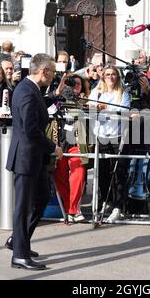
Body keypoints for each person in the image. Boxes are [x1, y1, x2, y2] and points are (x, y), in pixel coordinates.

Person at [5, 53, 63, 270]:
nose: (54, 76)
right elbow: (31, 130)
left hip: (33, 157)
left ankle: (18, 241)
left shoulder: (32, 89)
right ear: (44, 71)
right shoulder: (27, 92)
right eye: (53, 72)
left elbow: (38, 107)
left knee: (41, 198)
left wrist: (54, 96)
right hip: (26, 157)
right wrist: (54, 147)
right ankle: (19, 255)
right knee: (23, 207)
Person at [88, 65, 131, 223]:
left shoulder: (123, 93)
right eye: (107, 75)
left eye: (113, 74)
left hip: (118, 136)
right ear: (103, 77)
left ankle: (118, 206)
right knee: (103, 172)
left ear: (117, 77)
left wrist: (105, 108)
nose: (110, 77)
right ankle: (105, 201)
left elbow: (124, 110)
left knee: (118, 173)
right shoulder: (97, 91)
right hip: (101, 136)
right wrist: (98, 108)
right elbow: (91, 107)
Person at [54, 74, 91, 223]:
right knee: (60, 177)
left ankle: (74, 209)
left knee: (79, 173)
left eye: (78, 84)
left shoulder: (85, 101)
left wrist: (72, 99)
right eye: (72, 83)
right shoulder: (57, 99)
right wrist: (60, 92)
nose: (75, 86)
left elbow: (80, 112)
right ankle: (71, 208)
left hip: (77, 143)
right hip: (59, 143)